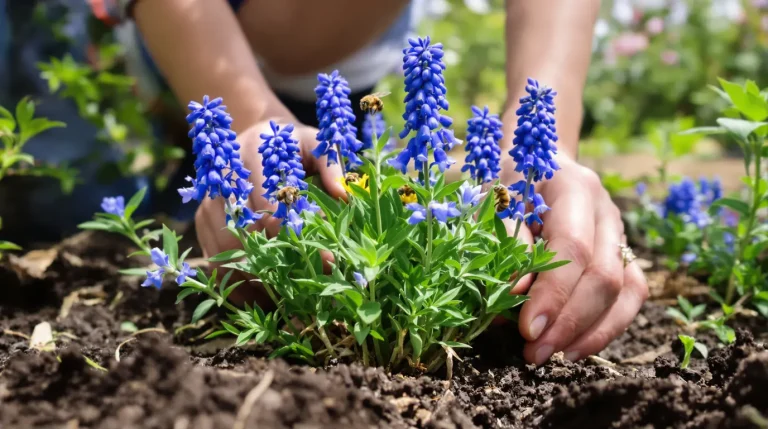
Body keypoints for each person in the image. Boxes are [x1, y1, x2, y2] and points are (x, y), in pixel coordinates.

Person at [90, 0, 649, 366]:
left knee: (355, 195)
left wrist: (543, 151)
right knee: (61, 206)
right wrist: (245, 118)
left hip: (344, 82)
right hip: (177, 45)